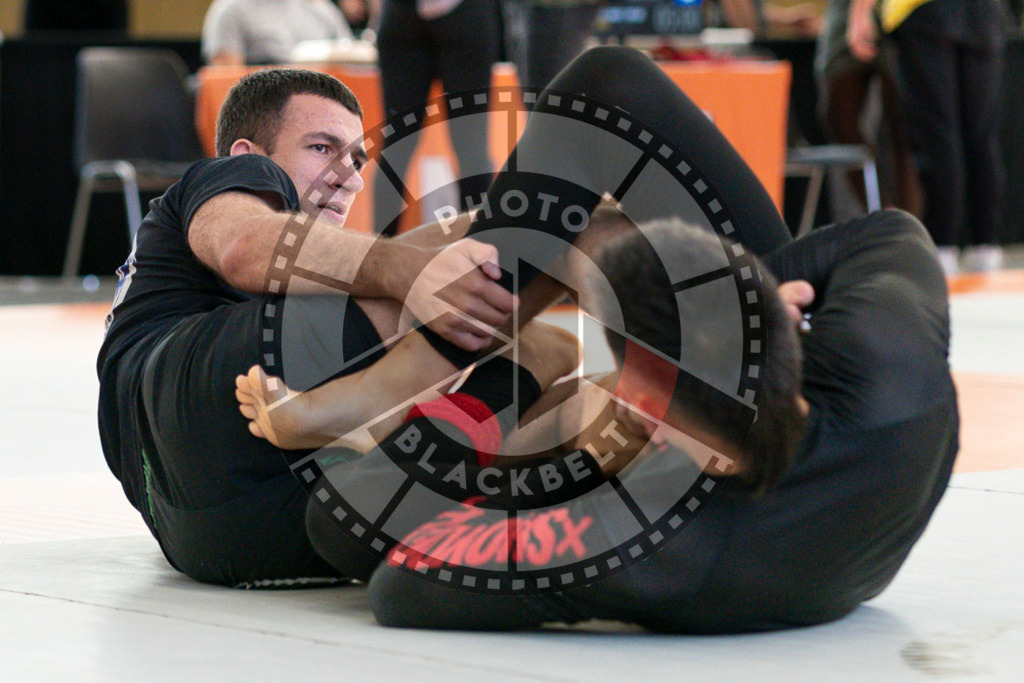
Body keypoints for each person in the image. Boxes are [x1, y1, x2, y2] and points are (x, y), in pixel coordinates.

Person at [236, 46, 958, 632]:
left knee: (343, 512)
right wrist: (756, 293)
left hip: (688, 493)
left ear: (638, 414)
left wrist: (580, 433)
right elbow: (892, 232)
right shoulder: (888, 365)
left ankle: (473, 369)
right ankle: (453, 368)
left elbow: (402, 585)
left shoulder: (649, 543)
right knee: (604, 96)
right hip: (748, 436)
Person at [97, 66, 536, 588]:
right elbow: (245, 246)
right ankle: (372, 400)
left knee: (542, 346)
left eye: (356, 161)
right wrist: (420, 270)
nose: (348, 178)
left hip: (232, 536)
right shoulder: (219, 182)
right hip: (185, 405)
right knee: (491, 260)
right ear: (247, 157)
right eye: (322, 149)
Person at [848, 0, 1010, 275]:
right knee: (980, 135)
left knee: (938, 134)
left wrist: (860, 14)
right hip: (985, 12)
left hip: (925, 11)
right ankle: (984, 244)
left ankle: (941, 244)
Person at [372, 0, 499, 236]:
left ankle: (376, 256)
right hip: (457, 16)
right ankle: (479, 255)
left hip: (405, 18)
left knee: (396, 148)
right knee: (471, 148)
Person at [815, 0, 920, 216]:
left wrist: (860, 13)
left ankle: (907, 227)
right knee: (837, 114)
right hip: (849, 10)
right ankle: (885, 216)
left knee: (905, 126)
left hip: (898, 10)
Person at [201, 0, 354, 66]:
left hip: (330, 102)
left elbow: (356, 61)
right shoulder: (231, 10)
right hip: (266, 110)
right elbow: (224, 82)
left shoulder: (323, 10)